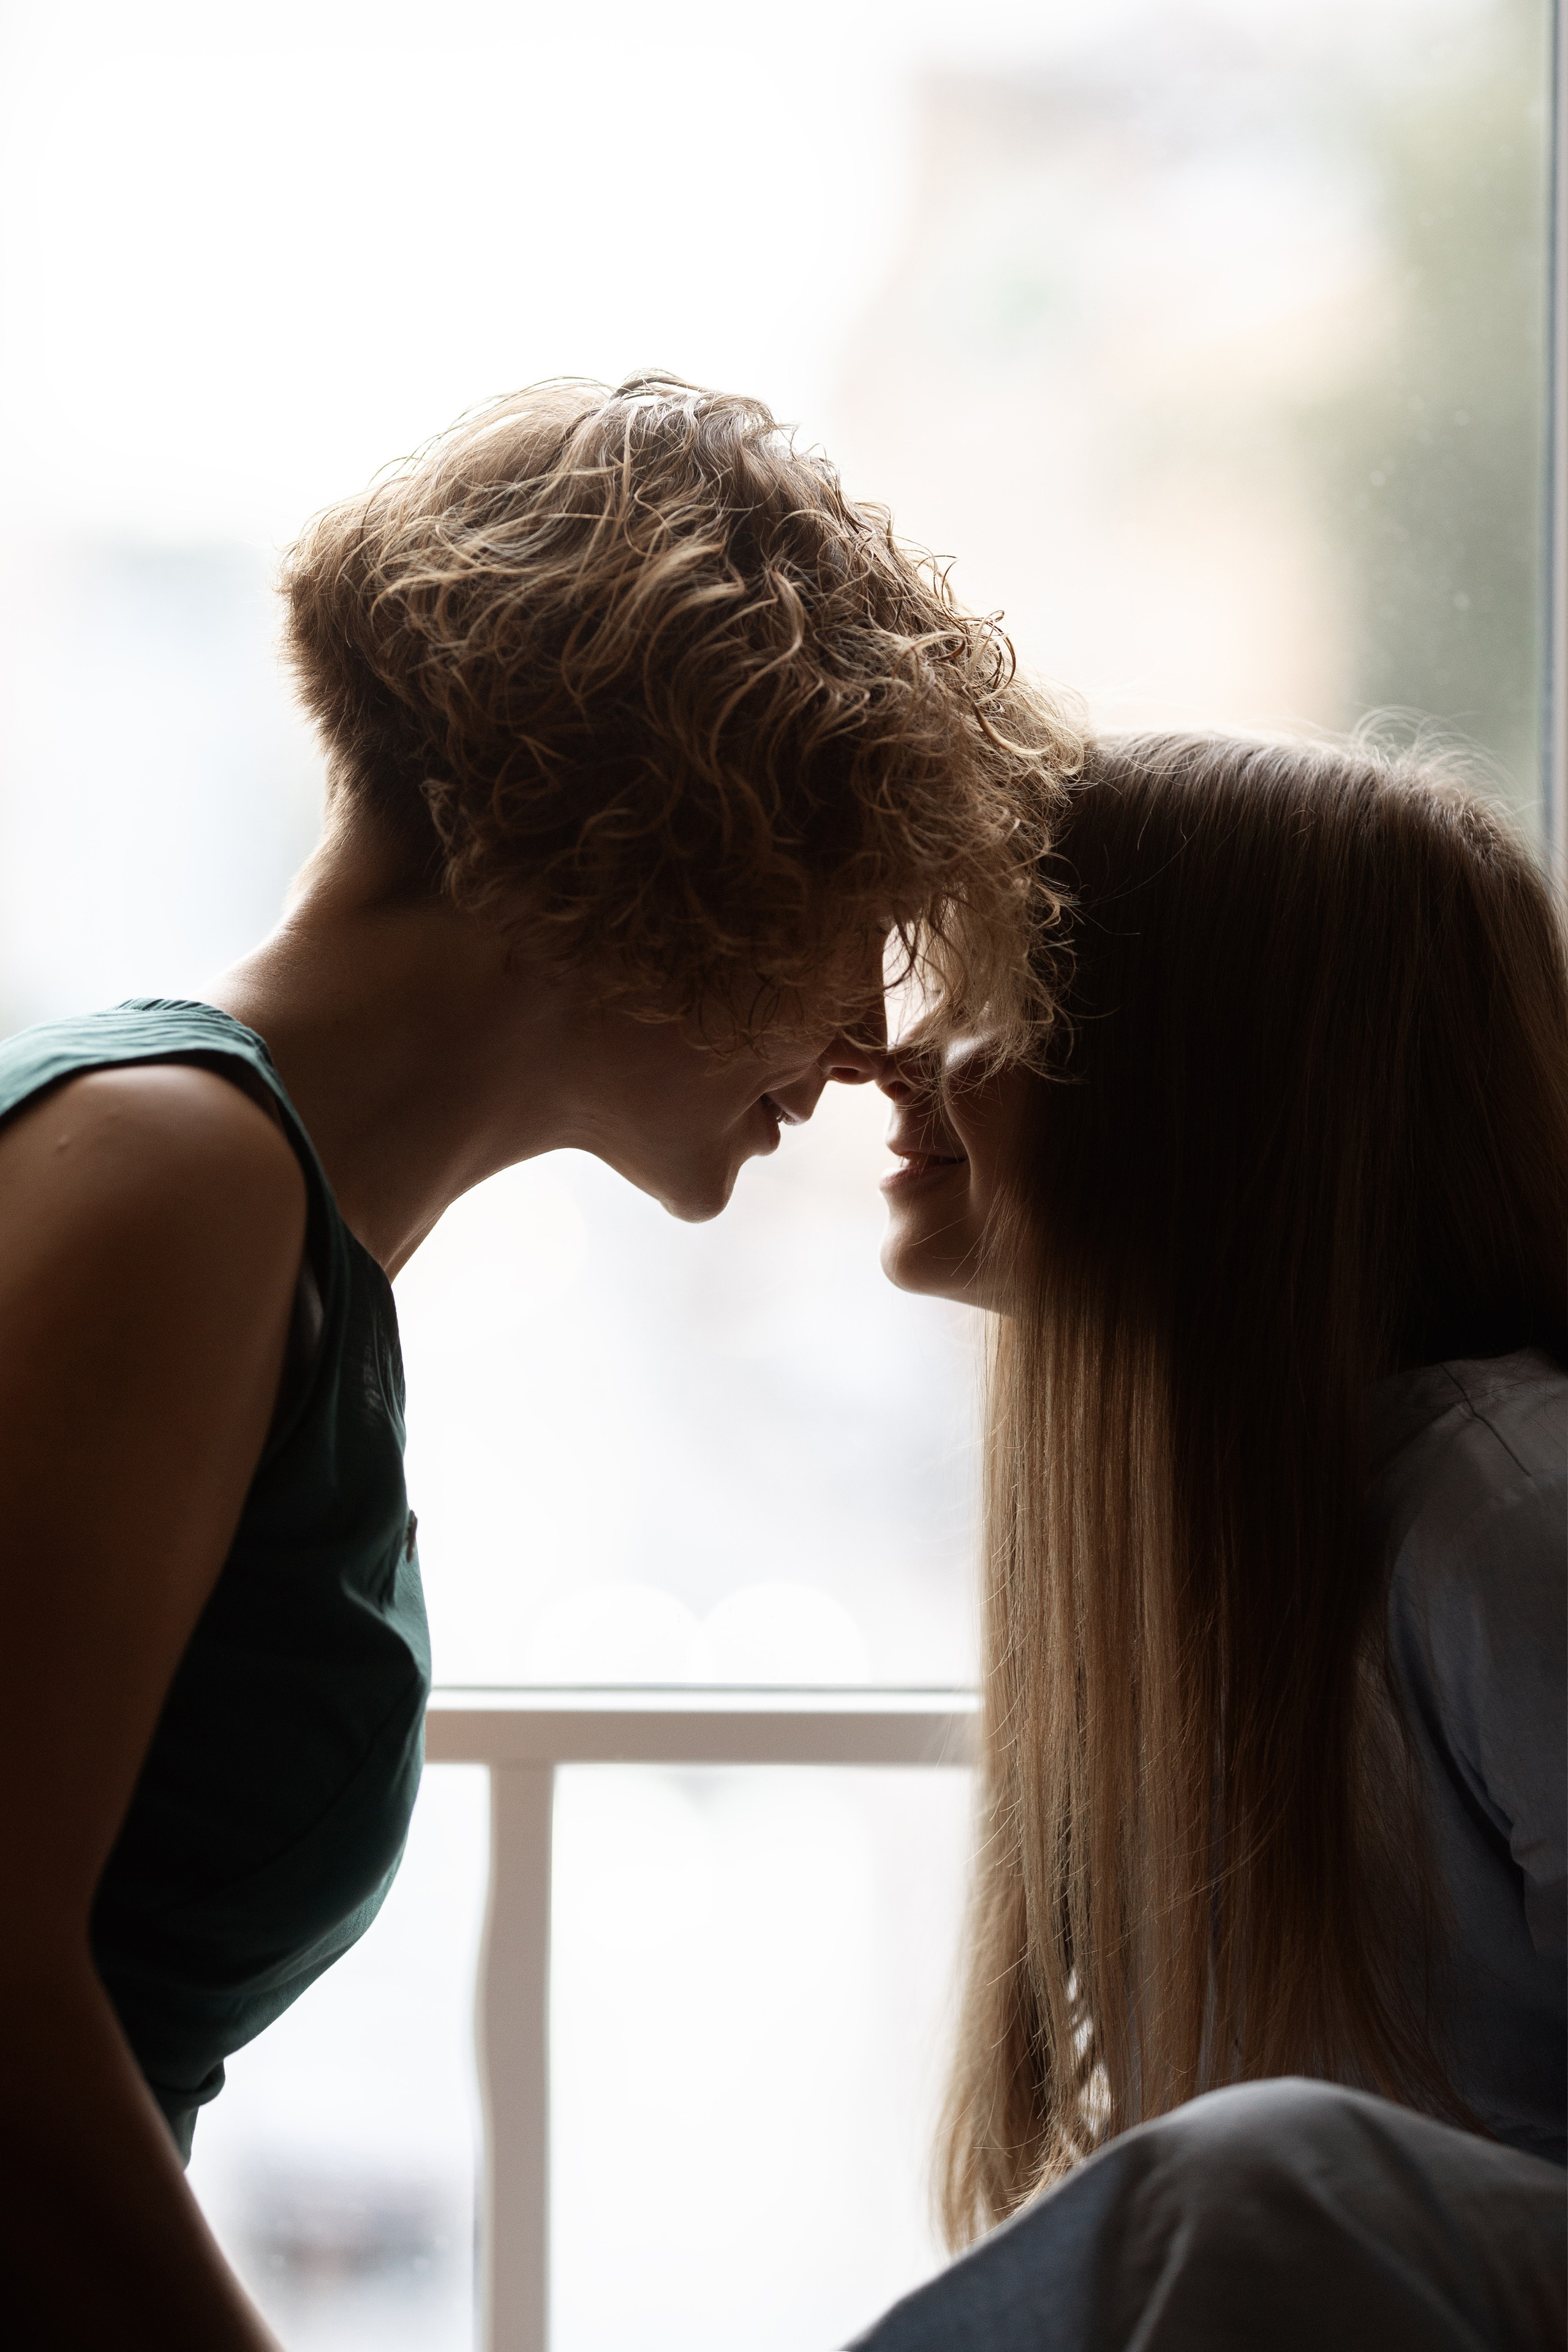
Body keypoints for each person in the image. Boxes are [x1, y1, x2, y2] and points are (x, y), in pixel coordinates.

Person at [0, 374, 1079, 2350]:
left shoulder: (278, 1231)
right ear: (672, 846)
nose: (862, 1044)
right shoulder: (172, 1172)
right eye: (851, 911)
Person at [857, 733, 1567, 2349]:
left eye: (1005, 997)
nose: (902, 1058)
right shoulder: (1205, 1545)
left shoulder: (1514, 1520)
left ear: (1206, 1079)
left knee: (1258, 2176)